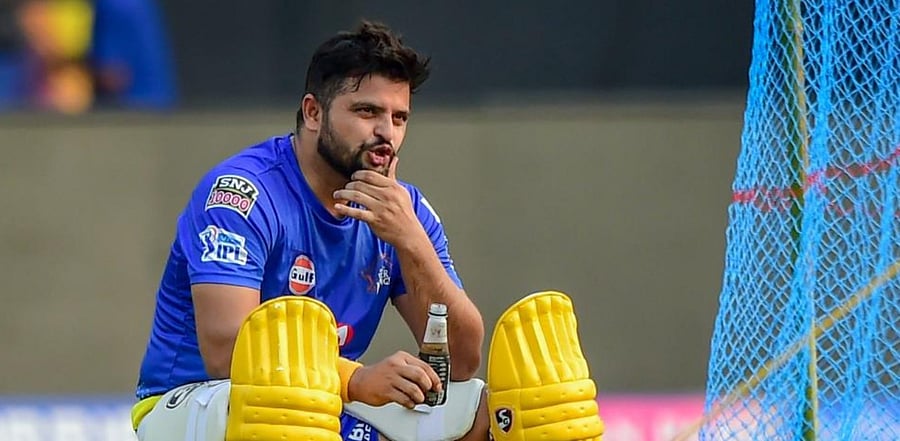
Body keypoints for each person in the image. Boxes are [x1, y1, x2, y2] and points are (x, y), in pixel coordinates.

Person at [131, 20, 604, 441]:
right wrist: (356, 382)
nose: (387, 134)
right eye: (367, 112)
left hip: (320, 401)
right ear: (313, 113)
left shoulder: (406, 210)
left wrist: (411, 241)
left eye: (399, 118)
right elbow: (226, 349)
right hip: (201, 403)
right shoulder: (241, 194)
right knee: (282, 402)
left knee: (514, 405)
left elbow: (461, 360)